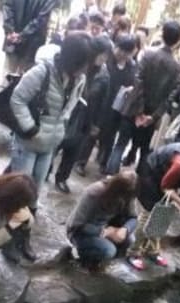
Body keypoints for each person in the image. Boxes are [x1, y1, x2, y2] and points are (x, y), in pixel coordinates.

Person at [8, 31, 91, 211]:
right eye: (82, 64)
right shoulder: (42, 71)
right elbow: (17, 99)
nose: (84, 69)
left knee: (35, 191)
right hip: (29, 140)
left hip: (50, 143)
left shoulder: (79, 79)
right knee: (20, 190)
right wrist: (30, 128)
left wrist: (62, 127)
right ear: (71, 59)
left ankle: (26, 224)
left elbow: (71, 105)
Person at [106, 20, 180, 174]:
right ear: (177, 40)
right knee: (144, 150)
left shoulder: (148, 54)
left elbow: (138, 81)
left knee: (120, 144)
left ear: (162, 34)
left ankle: (109, 178)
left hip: (134, 107)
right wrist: (153, 116)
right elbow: (170, 95)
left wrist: (139, 110)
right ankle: (138, 187)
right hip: (152, 114)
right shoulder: (176, 66)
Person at [53, 34, 112, 191]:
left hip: (87, 117)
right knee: (57, 142)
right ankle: (46, 169)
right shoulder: (80, 65)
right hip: (70, 112)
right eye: (103, 54)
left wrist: (97, 124)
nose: (104, 59)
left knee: (74, 148)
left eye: (107, 56)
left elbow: (104, 102)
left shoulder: (104, 75)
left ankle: (62, 177)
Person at [66, 171, 138, 270]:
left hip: (106, 226)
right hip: (80, 232)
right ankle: (79, 256)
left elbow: (133, 218)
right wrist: (105, 232)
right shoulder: (94, 193)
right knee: (109, 250)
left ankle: (99, 261)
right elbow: (77, 224)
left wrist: (125, 229)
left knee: (130, 239)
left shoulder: (128, 194)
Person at [96, 34, 137, 170]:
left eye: (127, 52)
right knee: (94, 133)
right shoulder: (107, 60)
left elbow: (133, 82)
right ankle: (82, 161)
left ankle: (104, 162)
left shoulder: (131, 66)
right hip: (102, 101)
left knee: (110, 136)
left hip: (118, 106)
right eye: (121, 50)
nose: (123, 55)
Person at [1, 0, 58, 74]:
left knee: (7, 75)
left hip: (13, 40)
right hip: (31, 43)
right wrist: (22, 35)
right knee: (23, 78)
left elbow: (8, 6)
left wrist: (10, 30)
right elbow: (42, 19)